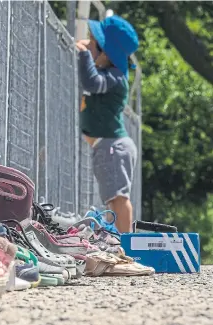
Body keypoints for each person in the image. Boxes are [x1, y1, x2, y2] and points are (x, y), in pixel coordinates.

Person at [76, 15, 139, 233]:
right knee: (113, 200)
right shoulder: (109, 73)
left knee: (119, 200)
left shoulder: (115, 77)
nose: (87, 44)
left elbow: (91, 82)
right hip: (107, 147)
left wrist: (83, 54)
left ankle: (126, 246)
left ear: (106, 52)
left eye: (91, 41)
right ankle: (120, 243)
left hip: (114, 147)